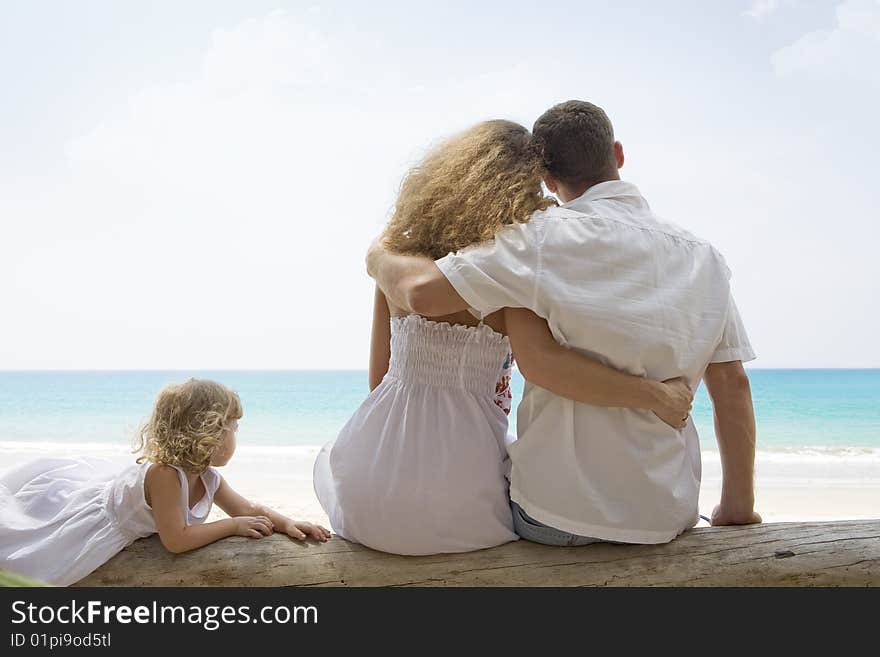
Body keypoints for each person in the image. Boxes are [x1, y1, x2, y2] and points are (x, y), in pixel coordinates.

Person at [367, 100, 761, 547]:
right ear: (618, 154)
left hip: (556, 515)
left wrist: (378, 255)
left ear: (548, 179)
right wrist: (737, 507)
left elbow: (423, 294)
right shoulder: (704, 258)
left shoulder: (538, 238)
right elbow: (731, 384)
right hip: (665, 514)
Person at [313, 120, 697, 556]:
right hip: (460, 506)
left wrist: (377, 253)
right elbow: (542, 362)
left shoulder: (395, 263)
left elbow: (378, 382)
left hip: (371, 488)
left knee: (335, 462)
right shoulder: (511, 276)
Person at [0, 378, 329, 585]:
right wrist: (233, 527)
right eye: (233, 427)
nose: (236, 435)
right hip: (101, 520)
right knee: (30, 550)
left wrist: (288, 523)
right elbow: (176, 540)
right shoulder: (166, 475)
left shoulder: (209, 477)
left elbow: (247, 508)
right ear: (209, 432)